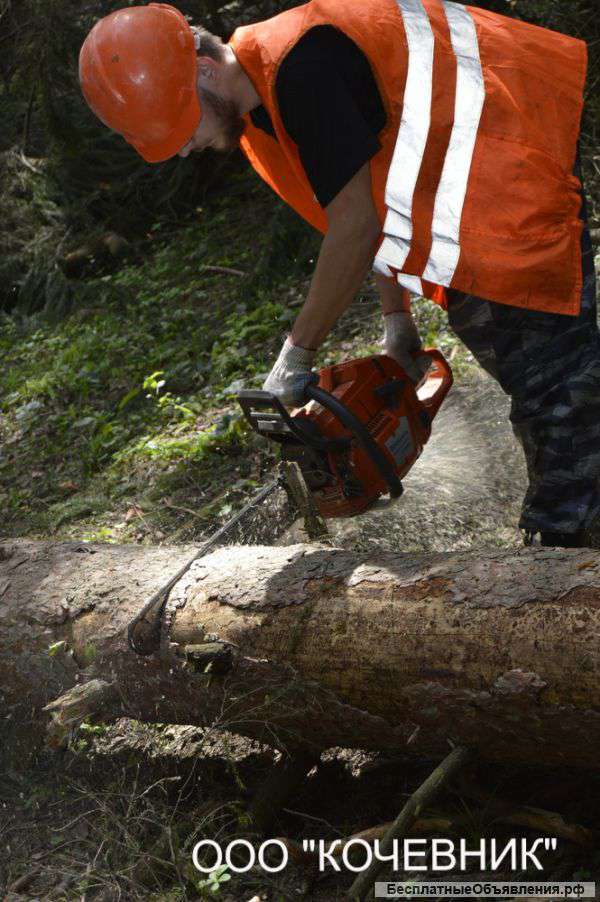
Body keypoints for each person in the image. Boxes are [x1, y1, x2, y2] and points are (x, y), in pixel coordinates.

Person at [79, 1, 598, 549]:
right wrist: (398, 321)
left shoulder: (302, 68)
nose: (184, 147)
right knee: (542, 382)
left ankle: (565, 552)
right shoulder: (265, 107)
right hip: (474, 196)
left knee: (560, 392)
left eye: (182, 126)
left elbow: (355, 225)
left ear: (204, 70)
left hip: (506, 166)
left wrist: (296, 355)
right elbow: (375, 195)